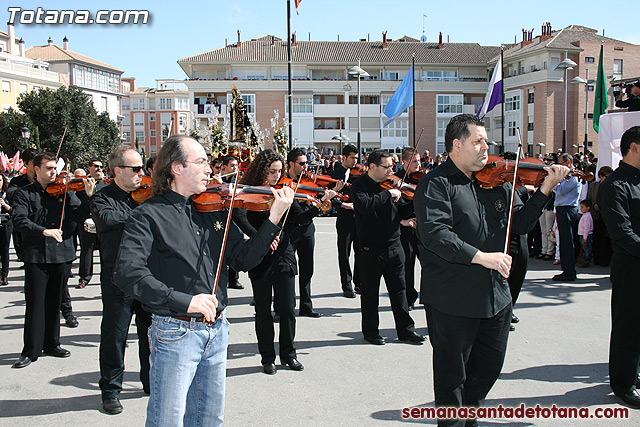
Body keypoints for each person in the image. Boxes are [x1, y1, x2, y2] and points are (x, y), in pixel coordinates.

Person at [112, 136, 293, 425]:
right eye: (201, 162)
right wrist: (185, 301)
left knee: (210, 418)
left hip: (217, 329)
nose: (210, 169)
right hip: (175, 331)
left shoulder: (214, 210)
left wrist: (273, 220)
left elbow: (244, 259)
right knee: (166, 420)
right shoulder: (148, 215)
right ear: (177, 168)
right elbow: (127, 273)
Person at [413, 114, 568, 426]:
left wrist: (546, 187)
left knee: (488, 368)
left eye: (486, 141)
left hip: (495, 297)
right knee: (452, 378)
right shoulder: (436, 183)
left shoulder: (496, 181)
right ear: (457, 145)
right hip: (451, 298)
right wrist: (481, 256)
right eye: (478, 141)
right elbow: (436, 235)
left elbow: (521, 225)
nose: (487, 147)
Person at [11, 152, 95, 369]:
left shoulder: (66, 192)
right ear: (36, 170)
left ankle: (52, 344)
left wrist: (88, 196)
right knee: (35, 303)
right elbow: (19, 220)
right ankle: (30, 350)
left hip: (62, 254)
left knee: (54, 302)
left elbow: (80, 215)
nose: (53, 172)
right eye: (48, 168)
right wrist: (43, 231)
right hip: (36, 255)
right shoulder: (24, 193)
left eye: (54, 168)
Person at [234, 149, 308, 374]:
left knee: (287, 308)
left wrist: (317, 205)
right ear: (261, 170)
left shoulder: (283, 191)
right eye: (271, 172)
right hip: (260, 255)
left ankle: (289, 355)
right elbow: (239, 216)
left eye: (279, 171)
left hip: (283, 253)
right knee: (263, 310)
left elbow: (299, 218)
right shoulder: (249, 192)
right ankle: (268, 358)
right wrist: (260, 238)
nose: (276, 176)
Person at [90, 148, 151, 415]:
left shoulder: (149, 196)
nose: (142, 174)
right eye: (135, 169)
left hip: (149, 275)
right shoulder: (102, 197)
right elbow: (107, 220)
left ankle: (151, 382)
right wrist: (145, 215)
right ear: (117, 171)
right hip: (118, 275)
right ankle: (111, 391)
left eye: (142, 169)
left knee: (151, 333)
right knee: (115, 335)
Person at [351, 149, 425, 346]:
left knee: (399, 291)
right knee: (370, 294)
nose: (391, 170)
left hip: (394, 245)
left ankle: (406, 330)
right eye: (387, 167)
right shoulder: (360, 186)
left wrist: (413, 201)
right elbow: (365, 206)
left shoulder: (392, 185)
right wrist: (388, 194)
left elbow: (400, 210)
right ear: (373, 167)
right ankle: (371, 331)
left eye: (392, 166)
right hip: (370, 249)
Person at [598, 125, 640, 409]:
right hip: (631, 267)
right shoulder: (614, 184)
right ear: (634, 147)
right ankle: (624, 383)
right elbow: (621, 232)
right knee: (629, 326)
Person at [284, 148, 337, 317]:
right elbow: (299, 215)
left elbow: (313, 209)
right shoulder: (285, 184)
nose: (306, 166)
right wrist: (320, 201)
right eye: (302, 163)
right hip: (290, 229)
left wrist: (328, 198)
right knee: (286, 271)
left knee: (308, 268)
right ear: (291, 164)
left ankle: (306, 305)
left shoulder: (309, 184)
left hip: (307, 229)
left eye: (307, 162)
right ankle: (284, 307)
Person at [329, 144, 361, 298]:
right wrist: (343, 205)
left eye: (356, 157)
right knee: (344, 252)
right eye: (352, 158)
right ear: (344, 158)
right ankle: (346, 285)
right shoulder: (335, 174)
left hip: (360, 219)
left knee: (360, 252)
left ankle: (359, 283)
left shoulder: (360, 173)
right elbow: (329, 196)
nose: (355, 161)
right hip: (345, 218)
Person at [395, 147, 422, 309]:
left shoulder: (422, 179)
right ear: (404, 162)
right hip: (406, 228)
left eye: (419, 160)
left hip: (423, 227)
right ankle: (409, 296)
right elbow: (396, 207)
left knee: (428, 263)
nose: (418, 164)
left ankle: (428, 296)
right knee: (408, 264)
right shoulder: (396, 180)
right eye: (414, 161)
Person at [76, 159, 106, 289]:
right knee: (86, 250)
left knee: (105, 251)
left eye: (100, 166)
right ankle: (85, 277)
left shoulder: (106, 184)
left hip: (102, 222)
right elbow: (78, 206)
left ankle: (106, 275)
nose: (99, 168)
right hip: (87, 221)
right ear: (89, 168)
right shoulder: (82, 184)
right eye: (96, 166)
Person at [6, 148, 39, 265]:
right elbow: (10, 194)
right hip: (25, 221)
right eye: (33, 162)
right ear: (25, 164)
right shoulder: (17, 181)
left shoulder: (44, 180)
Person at [552, 153, 581, 281]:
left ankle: (569, 271)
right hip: (562, 209)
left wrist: (554, 181)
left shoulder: (574, 177)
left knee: (567, 242)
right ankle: (566, 269)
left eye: (561, 163)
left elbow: (561, 190)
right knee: (563, 241)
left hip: (567, 209)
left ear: (568, 162)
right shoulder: (567, 176)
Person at [220, 155, 243, 290]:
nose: (235, 168)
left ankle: (233, 279)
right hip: (220, 219)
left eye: (236, 165)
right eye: (232, 166)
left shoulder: (236, 181)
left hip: (234, 218)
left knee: (235, 247)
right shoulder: (218, 180)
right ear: (225, 168)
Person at [0, 174, 12, 286]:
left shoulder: (7, 194)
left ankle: (4, 275)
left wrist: (4, 205)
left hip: (5, 222)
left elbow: (13, 209)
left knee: (4, 250)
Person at [576, 199, 594, 268]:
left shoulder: (587, 216)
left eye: (582, 207)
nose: (581, 209)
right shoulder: (585, 215)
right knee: (584, 248)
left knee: (587, 249)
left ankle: (586, 261)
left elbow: (587, 227)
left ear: (588, 207)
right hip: (582, 235)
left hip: (585, 235)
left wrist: (585, 237)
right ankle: (584, 260)